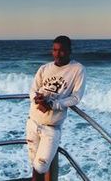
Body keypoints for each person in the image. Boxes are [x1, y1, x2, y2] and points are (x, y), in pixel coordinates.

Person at [25, 36, 85, 181]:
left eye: (62, 50)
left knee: (40, 167)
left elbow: (76, 98)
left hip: (51, 127)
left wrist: (53, 104)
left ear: (70, 51)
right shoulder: (44, 68)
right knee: (34, 164)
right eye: (55, 50)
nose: (57, 54)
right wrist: (36, 98)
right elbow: (33, 90)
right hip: (33, 122)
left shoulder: (77, 69)